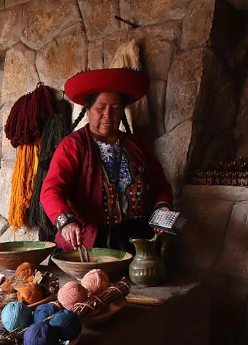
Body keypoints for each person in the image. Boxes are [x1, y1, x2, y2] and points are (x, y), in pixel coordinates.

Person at [39, 68, 173, 253]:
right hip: (90, 245)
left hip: (137, 244)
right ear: (88, 110)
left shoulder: (138, 147)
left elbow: (161, 186)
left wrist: (163, 207)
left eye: (116, 108)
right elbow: (51, 191)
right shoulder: (73, 146)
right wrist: (67, 222)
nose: (108, 115)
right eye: (100, 108)